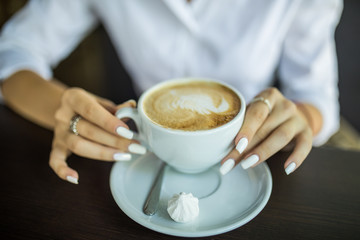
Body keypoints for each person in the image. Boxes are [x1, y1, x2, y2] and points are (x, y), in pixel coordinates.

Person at [0, 0, 343, 184]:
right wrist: (63, 109)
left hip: (252, 157)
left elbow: (315, 93)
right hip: (148, 151)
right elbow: (13, 51)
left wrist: (300, 117)